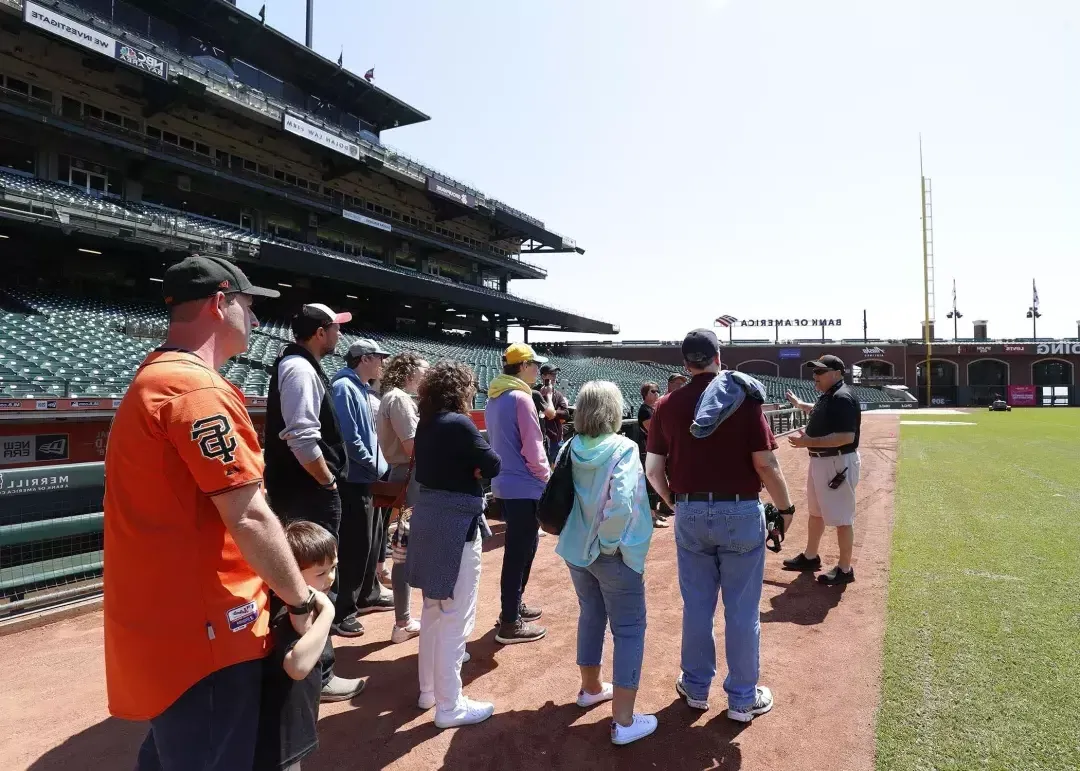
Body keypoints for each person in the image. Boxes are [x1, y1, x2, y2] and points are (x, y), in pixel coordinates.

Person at [104, 254, 319, 770]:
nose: (258, 320)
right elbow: (247, 515)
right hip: (206, 631)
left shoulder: (158, 377)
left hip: (167, 622)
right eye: (250, 305)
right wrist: (300, 598)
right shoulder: (193, 388)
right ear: (221, 304)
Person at [645, 328, 795, 723]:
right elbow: (766, 463)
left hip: (690, 513)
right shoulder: (743, 399)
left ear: (685, 363)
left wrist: (672, 501)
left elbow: (653, 469)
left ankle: (695, 688)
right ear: (718, 358)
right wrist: (786, 507)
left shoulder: (666, 404)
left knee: (697, 607)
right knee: (742, 611)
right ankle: (742, 699)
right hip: (740, 510)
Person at [263, 303, 363, 703]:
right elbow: (303, 439)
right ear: (320, 333)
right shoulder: (300, 369)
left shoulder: (299, 366)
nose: (340, 335)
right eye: (335, 328)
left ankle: (309, 670)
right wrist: (328, 482)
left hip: (299, 490)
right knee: (315, 579)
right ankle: (317, 675)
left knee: (305, 579)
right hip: (308, 492)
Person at [557, 381, 658, 746]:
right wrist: (612, 544)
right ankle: (624, 721)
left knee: (591, 614)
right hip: (610, 552)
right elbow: (622, 504)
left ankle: (590, 689)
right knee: (629, 628)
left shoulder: (570, 445)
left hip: (575, 550)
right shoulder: (625, 447)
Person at [406, 360, 502, 728]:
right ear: (458, 389)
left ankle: (428, 691)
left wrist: (473, 466)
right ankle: (450, 706)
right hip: (455, 525)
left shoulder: (427, 422)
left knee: (433, 609)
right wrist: (474, 467)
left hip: (430, 519)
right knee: (455, 617)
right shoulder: (458, 423)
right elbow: (491, 463)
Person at [254, 521, 338, 771]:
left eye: (333, 568)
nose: (331, 578)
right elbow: (296, 666)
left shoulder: (304, 603)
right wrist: (328, 614)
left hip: (290, 721)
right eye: (321, 572)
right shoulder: (289, 609)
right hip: (280, 730)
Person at [485, 342, 551, 645]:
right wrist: (547, 479)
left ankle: (514, 607)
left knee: (523, 549)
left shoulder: (495, 397)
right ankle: (509, 621)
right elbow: (534, 449)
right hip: (525, 485)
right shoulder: (521, 398)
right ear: (522, 366)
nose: (538, 370)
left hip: (505, 484)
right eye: (534, 365)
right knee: (518, 553)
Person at [330, 339, 393, 634]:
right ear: (364, 358)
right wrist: (371, 466)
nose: (381, 363)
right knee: (355, 545)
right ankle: (343, 611)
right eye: (378, 358)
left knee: (371, 541)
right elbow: (350, 439)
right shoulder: (344, 386)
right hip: (355, 478)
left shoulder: (359, 387)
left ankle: (367, 594)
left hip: (367, 478)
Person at [783, 355, 862, 585]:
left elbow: (846, 437)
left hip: (837, 463)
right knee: (815, 512)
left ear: (836, 372)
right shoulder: (829, 395)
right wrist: (800, 405)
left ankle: (845, 569)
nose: (815, 376)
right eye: (814, 372)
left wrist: (807, 441)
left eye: (820, 372)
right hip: (821, 461)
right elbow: (820, 414)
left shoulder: (842, 397)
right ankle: (810, 556)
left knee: (842, 518)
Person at [377, 352, 430, 643]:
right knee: (406, 551)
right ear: (410, 371)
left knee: (404, 550)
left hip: (407, 476)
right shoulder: (398, 398)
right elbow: (413, 449)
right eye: (424, 370)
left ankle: (404, 619)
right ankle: (404, 621)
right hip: (411, 478)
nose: (428, 374)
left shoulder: (396, 397)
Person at [636, 381, 668, 529]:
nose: (656, 394)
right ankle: (651, 516)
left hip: (655, 451)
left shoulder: (654, 409)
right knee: (650, 484)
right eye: (652, 392)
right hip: (648, 451)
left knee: (656, 483)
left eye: (657, 391)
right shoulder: (644, 410)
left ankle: (654, 512)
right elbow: (653, 430)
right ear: (645, 395)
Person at [539, 363, 570, 464]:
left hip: (555, 439)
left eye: (555, 374)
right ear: (543, 376)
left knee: (556, 466)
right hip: (539, 438)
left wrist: (552, 412)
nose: (554, 377)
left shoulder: (558, 394)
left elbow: (565, 413)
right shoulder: (535, 392)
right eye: (551, 374)